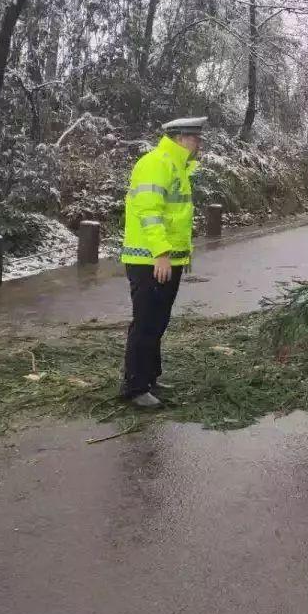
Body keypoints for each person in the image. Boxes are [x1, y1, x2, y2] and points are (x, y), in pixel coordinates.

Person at [120, 117, 206, 408]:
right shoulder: (157, 163)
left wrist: (181, 255)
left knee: (157, 321)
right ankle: (134, 386)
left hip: (166, 259)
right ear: (180, 139)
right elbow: (150, 212)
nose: (199, 145)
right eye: (195, 139)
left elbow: (176, 219)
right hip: (150, 260)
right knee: (146, 322)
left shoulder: (176, 166)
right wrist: (161, 254)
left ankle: (150, 378)